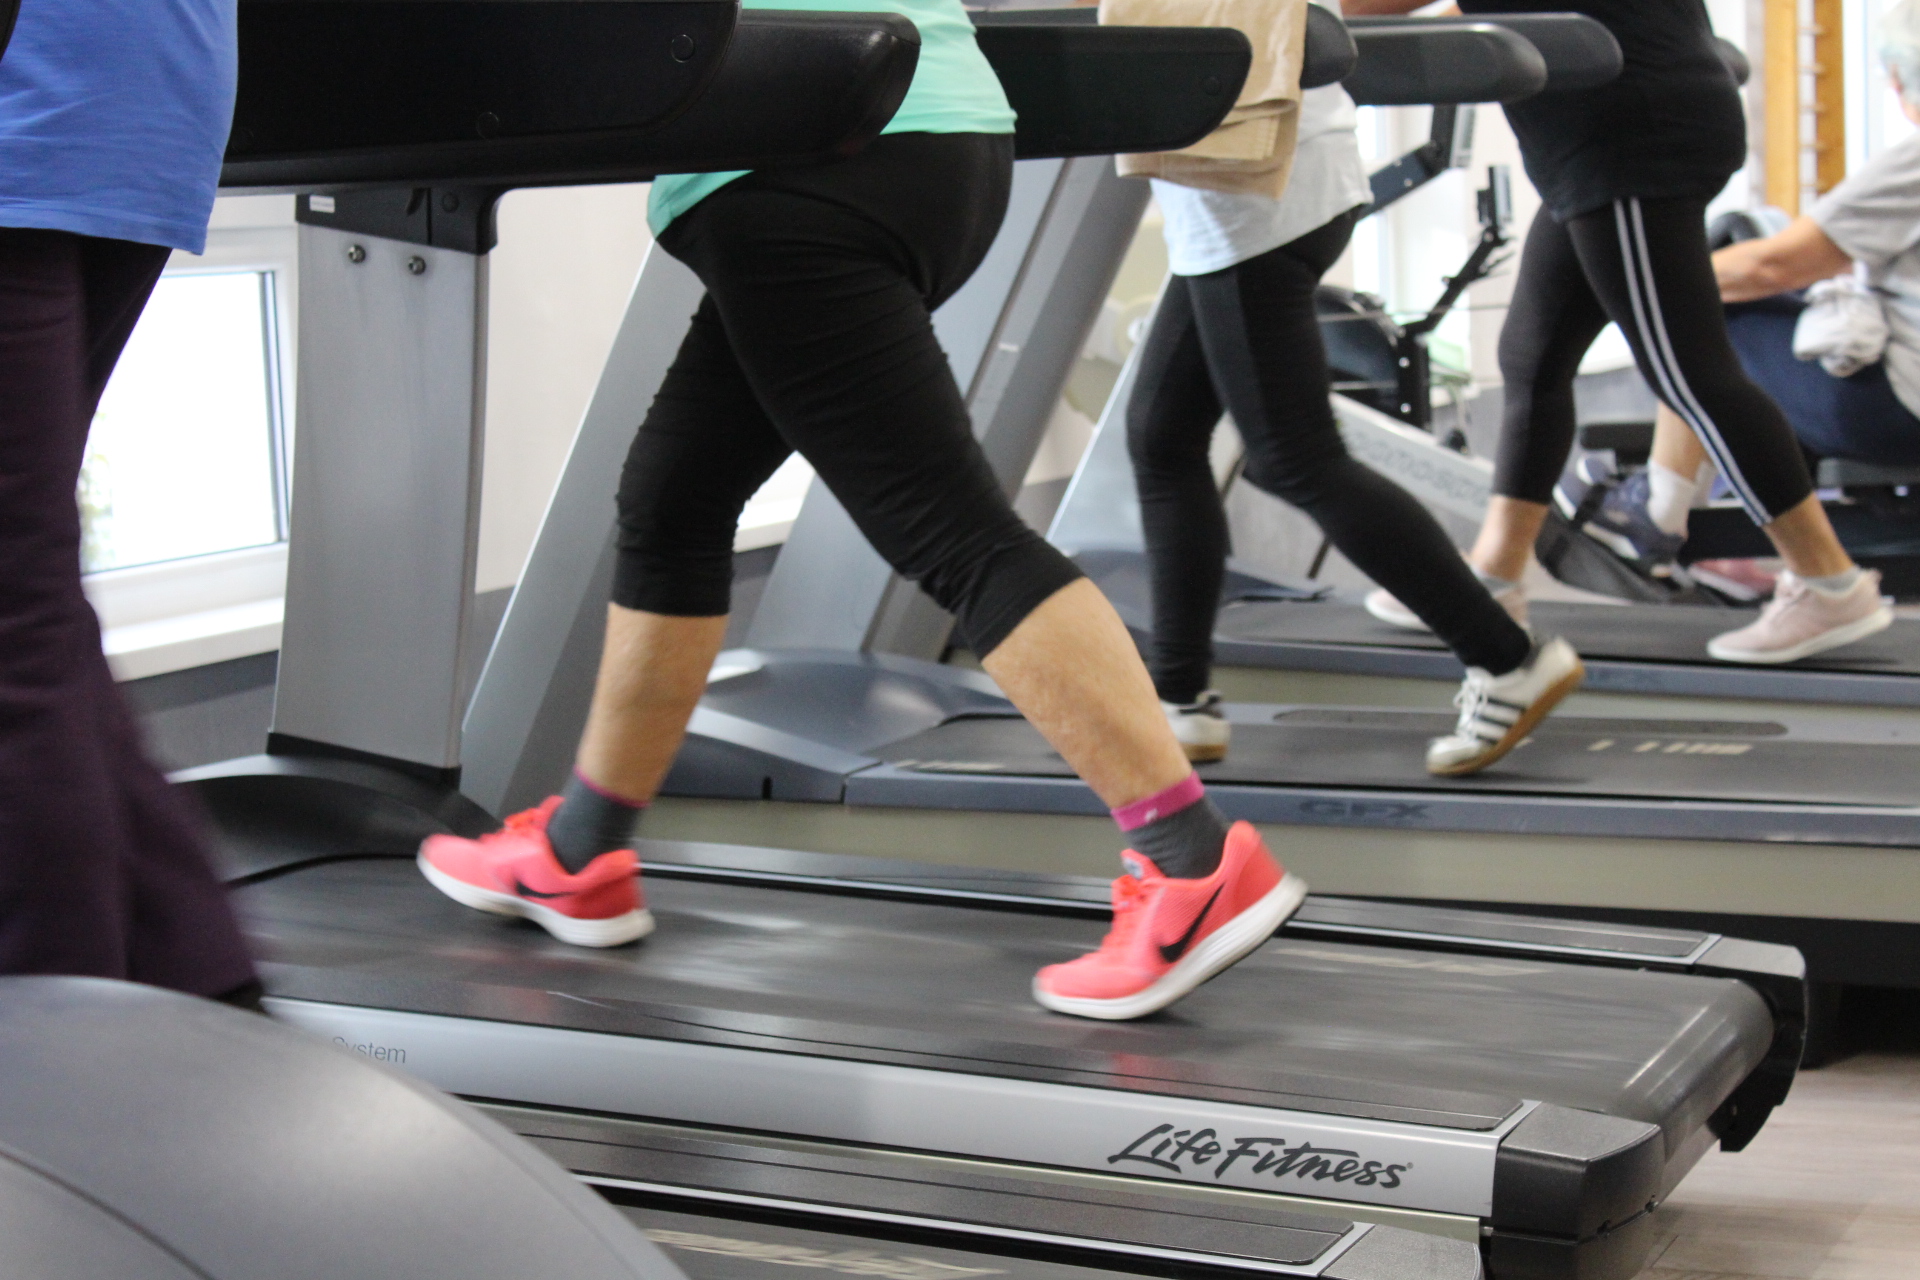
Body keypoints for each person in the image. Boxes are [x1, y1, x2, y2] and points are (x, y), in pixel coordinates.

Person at [419, 0, 1305, 1021]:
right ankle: (580, 854)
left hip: (808, 154)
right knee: (673, 499)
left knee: (954, 535)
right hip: (928, 136)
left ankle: (1194, 865)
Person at [1354, 0, 1893, 665]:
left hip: (1627, 131)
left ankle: (1828, 583)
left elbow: (1358, 7)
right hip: (1603, 127)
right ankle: (1493, 573)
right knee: (1533, 354)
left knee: (1689, 371)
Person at [1128, 0, 1583, 778]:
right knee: (1161, 433)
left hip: (1249, 180)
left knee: (1294, 456)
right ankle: (1179, 699)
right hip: (1250, 172)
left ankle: (1506, 659)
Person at [0, 0, 260, 1003]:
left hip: (34, 105)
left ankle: (58, 1049)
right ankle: (199, 985)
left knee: (14, 624)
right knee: (31, 602)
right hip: (141, 95)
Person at [1564, 0, 1920, 627]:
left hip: (1897, 411)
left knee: (1703, 309)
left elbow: (1773, 267)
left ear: (1898, 80)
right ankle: (1727, 524)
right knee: (1740, 292)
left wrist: (1630, 283)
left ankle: (1660, 510)